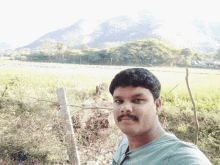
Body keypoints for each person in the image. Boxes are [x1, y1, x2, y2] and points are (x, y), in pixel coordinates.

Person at [109, 68, 212, 165]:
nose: (125, 108)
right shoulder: (125, 141)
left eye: (137, 100)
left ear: (157, 106)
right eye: (119, 101)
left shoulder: (180, 156)